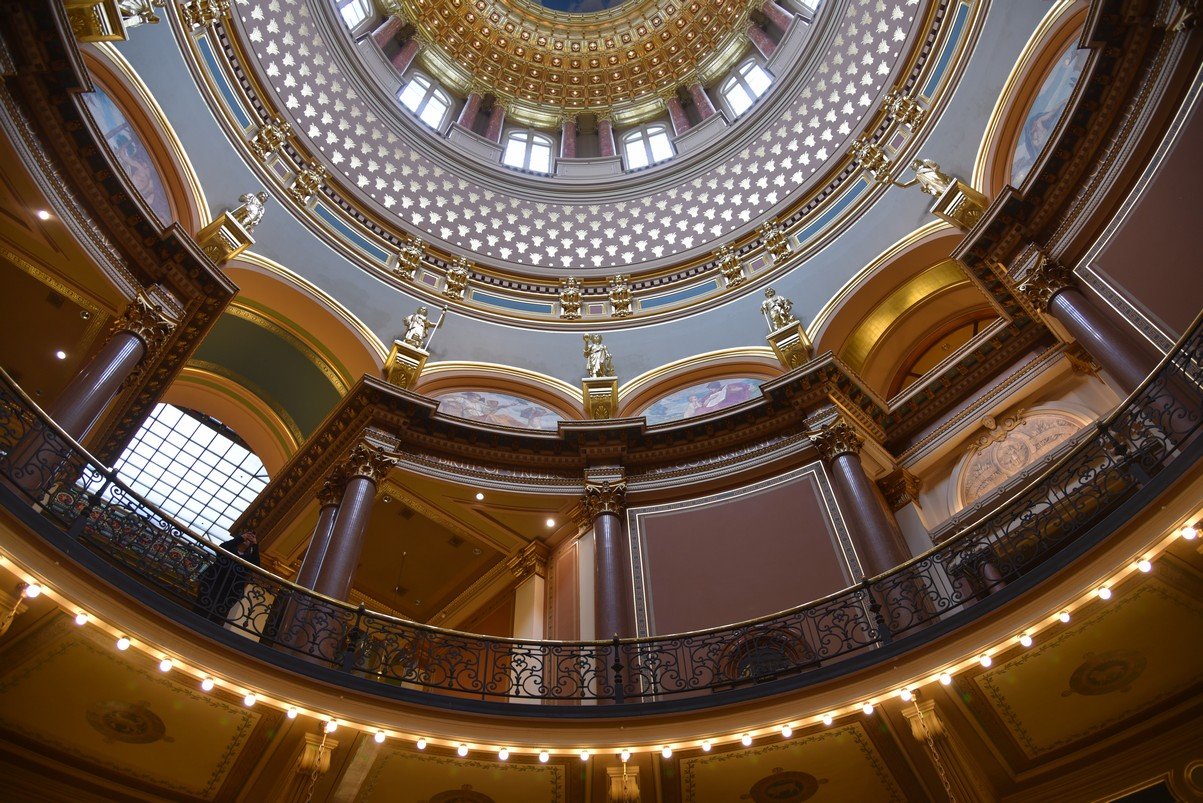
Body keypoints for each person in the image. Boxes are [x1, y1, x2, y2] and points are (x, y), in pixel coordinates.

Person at [196, 531, 259, 625]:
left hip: (231, 589)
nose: (248, 539)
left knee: (219, 612)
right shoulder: (229, 548)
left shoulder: (248, 558)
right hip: (214, 581)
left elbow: (256, 565)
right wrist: (241, 537)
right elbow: (222, 547)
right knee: (203, 604)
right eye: (247, 536)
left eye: (250, 538)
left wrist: (255, 545)